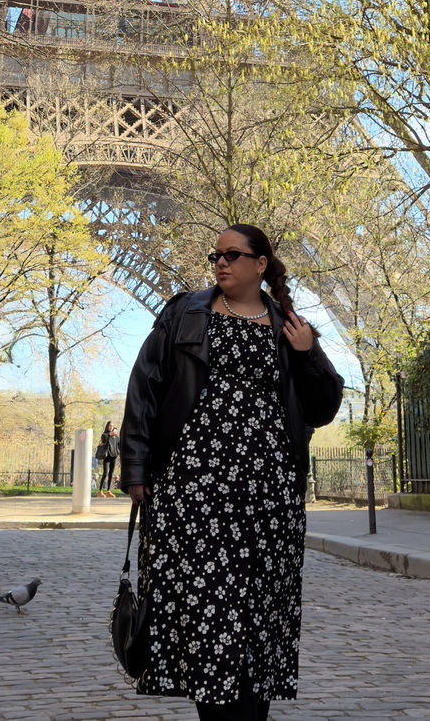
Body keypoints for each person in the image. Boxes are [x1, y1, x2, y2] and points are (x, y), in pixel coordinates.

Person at [119, 223, 344, 721]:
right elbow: (145, 389)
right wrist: (136, 467)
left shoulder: (290, 326)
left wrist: (307, 355)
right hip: (194, 496)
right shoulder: (184, 314)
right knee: (208, 619)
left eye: (233, 255)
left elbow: (324, 406)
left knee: (258, 617)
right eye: (215, 255)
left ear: (260, 263)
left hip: (268, 501)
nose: (221, 263)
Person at [95, 420, 119, 496]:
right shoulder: (105, 435)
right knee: (105, 474)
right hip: (107, 457)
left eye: (112, 426)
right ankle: (100, 491)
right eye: (109, 425)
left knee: (111, 474)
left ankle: (108, 491)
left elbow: (119, 443)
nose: (111, 427)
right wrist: (110, 434)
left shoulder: (115, 436)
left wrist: (118, 452)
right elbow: (104, 438)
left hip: (114, 457)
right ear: (107, 426)